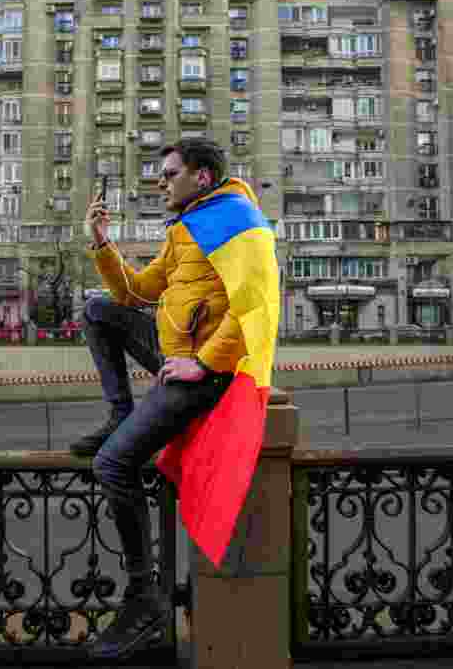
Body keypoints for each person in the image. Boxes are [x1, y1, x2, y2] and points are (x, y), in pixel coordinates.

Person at [71, 138, 279, 660]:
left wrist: (205, 363)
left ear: (202, 177)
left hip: (204, 376)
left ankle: (146, 599)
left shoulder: (237, 220)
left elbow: (255, 303)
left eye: (169, 174)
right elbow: (135, 293)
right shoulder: (189, 226)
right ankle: (120, 413)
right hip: (176, 356)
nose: (161, 183)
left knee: (114, 463)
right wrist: (101, 244)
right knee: (98, 311)